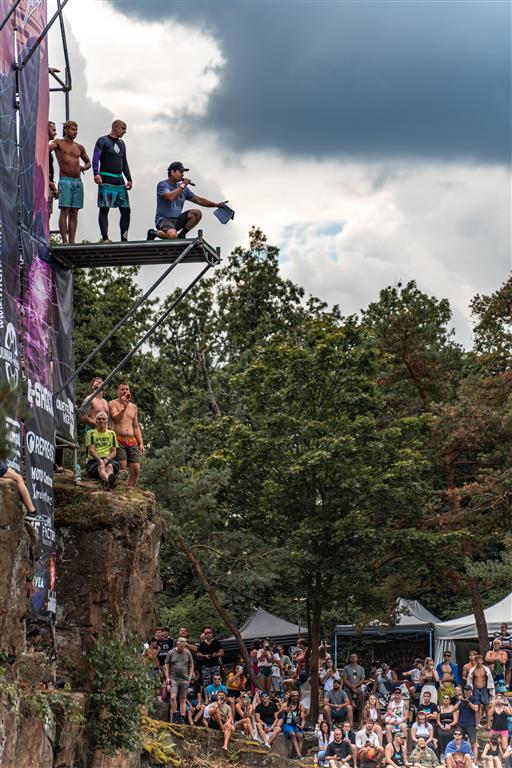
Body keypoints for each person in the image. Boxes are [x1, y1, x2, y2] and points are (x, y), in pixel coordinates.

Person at [148, 161, 228, 241]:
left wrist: (217, 205)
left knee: (197, 213)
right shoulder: (163, 184)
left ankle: (182, 234)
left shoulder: (183, 188)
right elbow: (170, 197)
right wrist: (183, 185)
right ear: (172, 172)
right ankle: (153, 233)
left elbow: (199, 200)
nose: (182, 175)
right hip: (164, 220)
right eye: (180, 172)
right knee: (172, 236)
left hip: (177, 219)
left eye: (183, 172)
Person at [49, 120, 91, 244]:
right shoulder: (58, 143)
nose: (75, 132)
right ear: (66, 130)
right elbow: (46, 149)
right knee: (65, 209)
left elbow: (88, 162)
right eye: (73, 129)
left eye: (76, 129)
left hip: (77, 181)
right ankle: (65, 240)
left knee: (74, 211)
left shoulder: (79, 146)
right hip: (65, 180)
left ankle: (72, 241)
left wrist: (83, 167)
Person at [92, 120, 132, 243]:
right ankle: (105, 238)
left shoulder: (122, 143)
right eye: (123, 128)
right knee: (105, 208)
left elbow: (124, 162)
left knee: (126, 210)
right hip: (106, 179)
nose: (125, 131)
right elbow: (95, 158)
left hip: (119, 180)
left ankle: (124, 238)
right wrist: (96, 173)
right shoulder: (103, 140)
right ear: (115, 127)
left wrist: (129, 178)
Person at [108, 382, 144, 488]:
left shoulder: (133, 407)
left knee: (136, 469)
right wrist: (123, 408)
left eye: (127, 389)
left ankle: (130, 489)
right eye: (122, 389)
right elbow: (115, 418)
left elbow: (136, 426)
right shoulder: (112, 403)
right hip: (118, 438)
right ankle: (120, 489)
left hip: (131, 439)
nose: (125, 391)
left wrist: (141, 443)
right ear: (117, 391)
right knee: (122, 467)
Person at [85, 411, 119, 488]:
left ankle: (108, 482)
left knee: (110, 466)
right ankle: (109, 482)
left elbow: (114, 451)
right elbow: (91, 450)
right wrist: (100, 460)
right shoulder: (91, 433)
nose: (101, 421)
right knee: (101, 467)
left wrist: (108, 458)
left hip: (108, 459)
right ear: (95, 421)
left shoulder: (112, 434)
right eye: (99, 419)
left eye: (103, 419)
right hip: (94, 460)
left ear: (107, 421)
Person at [164, 636, 194, 723]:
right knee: (173, 697)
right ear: (177, 643)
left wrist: (190, 676)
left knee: (183, 699)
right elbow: (166, 665)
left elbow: (191, 665)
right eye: (182, 643)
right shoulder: (171, 652)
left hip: (184, 679)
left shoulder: (188, 653)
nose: (183, 645)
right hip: (174, 678)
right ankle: (174, 714)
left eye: (184, 643)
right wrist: (167, 678)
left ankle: (182, 717)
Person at [466, 654, 495, 730]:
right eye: (477, 660)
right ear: (475, 661)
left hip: (484, 689)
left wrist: (490, 690)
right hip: (475, 690)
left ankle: (489, 725)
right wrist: (470, 690)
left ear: (482, 661)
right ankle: (477, 724)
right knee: (477, 708)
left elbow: (490, 680)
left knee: (487, 707)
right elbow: (470, 681)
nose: (478, 661)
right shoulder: (473, 670)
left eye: (480, 660)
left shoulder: (486, 670)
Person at [453, 687, 478, 762]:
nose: (467, 693)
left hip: (470, 724)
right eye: (466, 691)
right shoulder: (460, 699)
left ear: (471, 691)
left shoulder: (474, 699)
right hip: (461, 724)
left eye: (469, 691)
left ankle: (474, 762)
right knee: (460, 743)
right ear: (464, 692)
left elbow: (476, 709)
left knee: (474, 743)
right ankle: (462, 761)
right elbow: (454, 709)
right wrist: (460, 701)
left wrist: (468, 702)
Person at [280, 689, 305, 759]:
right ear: (291, 697)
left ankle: (298, 755)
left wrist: (302, 725)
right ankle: (299, 755)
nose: (296, 698)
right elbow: (277, 714)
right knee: (293, 734)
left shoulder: (300, 706)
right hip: (287, 725)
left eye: (297, 696)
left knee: (300, 735)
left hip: (296, 725)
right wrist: (284, 710)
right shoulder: (285, 705)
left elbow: (303, 719)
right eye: (294, 696)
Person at [437, 693, 459, 759]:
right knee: (441, 734)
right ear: (442, 700)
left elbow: (455, 720)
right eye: (444, 698)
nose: (446, 700)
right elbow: (438, 720)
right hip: (442, 724)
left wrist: (450, 725)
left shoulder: (453, 708)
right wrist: (441, 726)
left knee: (450, 734)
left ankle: (451, 753)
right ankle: (442, 753)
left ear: (450, 700)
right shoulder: (439, 708)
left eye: (447, 698)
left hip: (451, 725)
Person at [493, 623, 512, 688]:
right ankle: (500, 683)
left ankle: (507, 684)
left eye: (503, 627)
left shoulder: (510, 635)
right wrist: (502, 637)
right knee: (499, 669)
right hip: (500, 654)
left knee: (508, 669)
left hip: (509, 654)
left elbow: (511, 645)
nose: (502, 628)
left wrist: (502, 645)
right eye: (501, 627)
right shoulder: (498, 635)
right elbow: (497, 643)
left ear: (507, 628)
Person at [48, 121, 58, 217]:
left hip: (49, 185)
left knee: (48, 213)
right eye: (53, 130)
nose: (55, 132)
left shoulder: (47, 149)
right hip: (44, 186)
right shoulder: (40, 148)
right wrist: (49, 183)